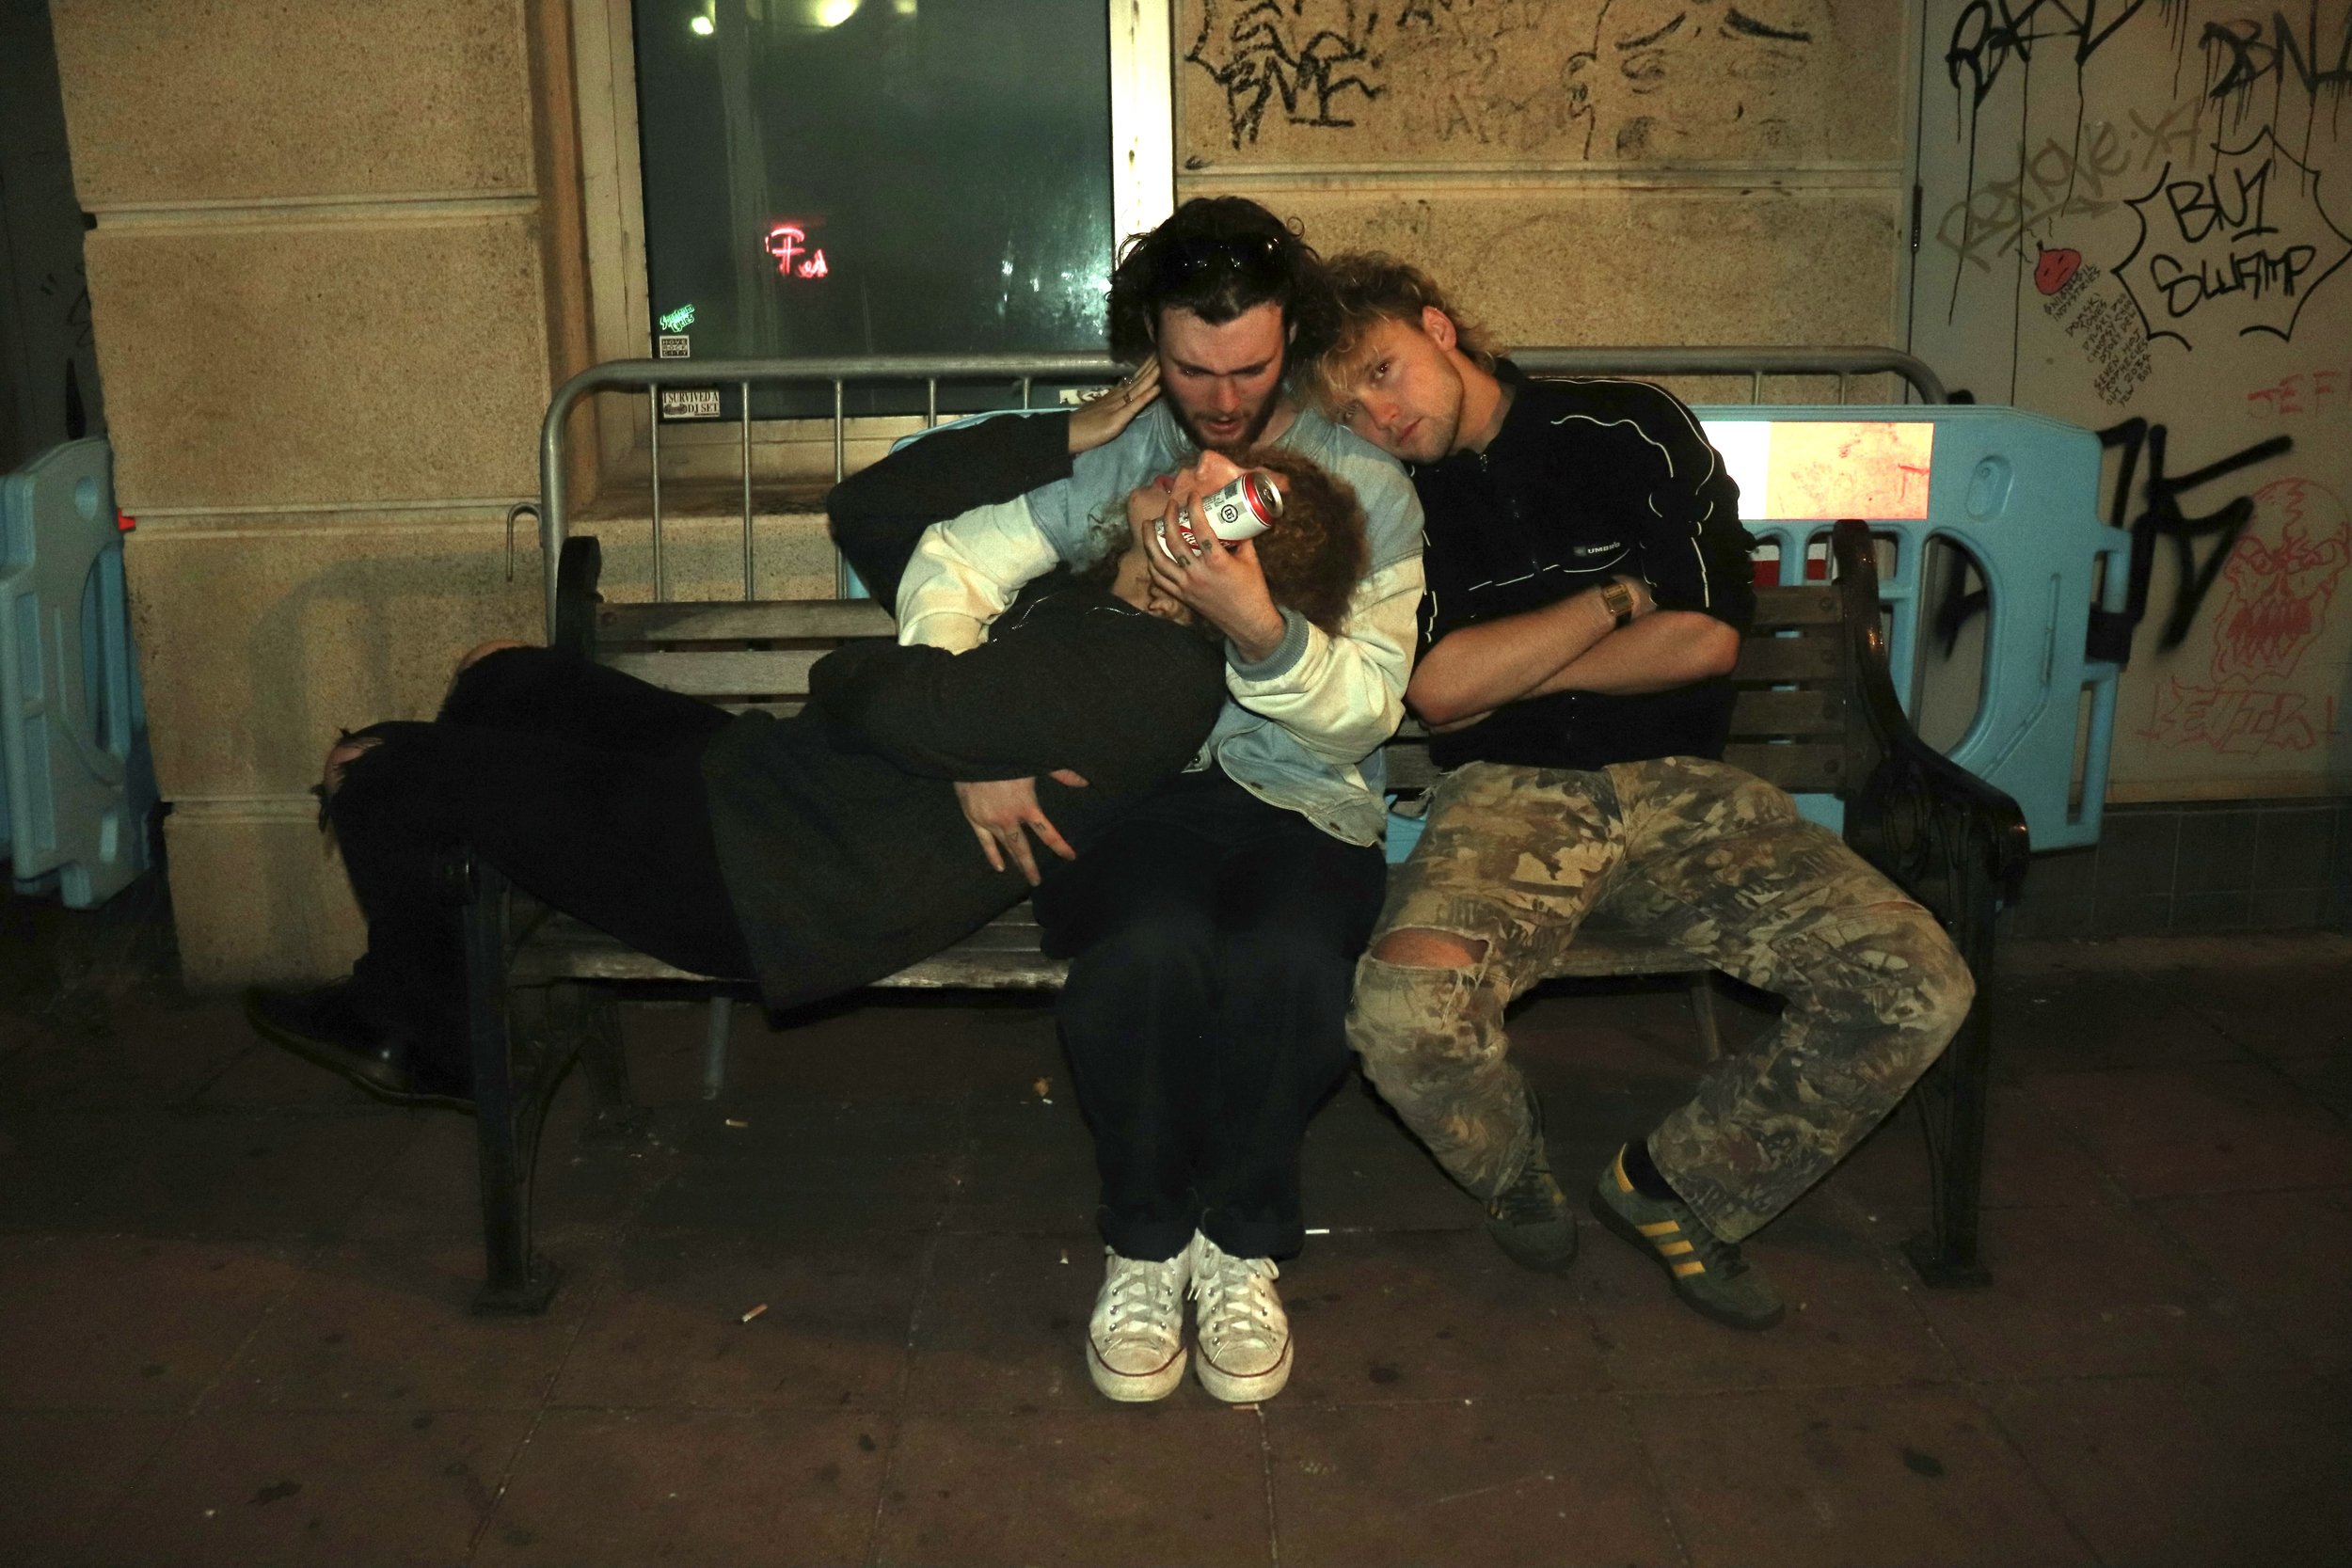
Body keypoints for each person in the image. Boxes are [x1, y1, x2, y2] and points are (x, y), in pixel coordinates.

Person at [241, 447, 1371, 1122]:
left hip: (776, 877)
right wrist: (942, 721)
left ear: (1227, 566)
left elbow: (886, 700)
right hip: (773, 786)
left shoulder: (1139, 671)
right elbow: (917, 659)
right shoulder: (1101, 606)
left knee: (391, 776)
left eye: (1222, 496)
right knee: (509, 683)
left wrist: (879, 684)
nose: (1189, 473)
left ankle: (424, 1035)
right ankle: (452, 970)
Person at [1304, 255, 1976, 1331]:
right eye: (1348, 408)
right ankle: (1514, 1170)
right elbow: (1437, 689)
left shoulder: (1629, 428)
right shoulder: (1392, 499)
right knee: (1402, 1014)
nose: (1378, 416)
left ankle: (1678, 1185)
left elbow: (1705, 639)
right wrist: (1613, 600)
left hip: (1688, 792)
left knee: (1918, 980)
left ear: (1437, 326)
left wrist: (1509, 665)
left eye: (1382, 371)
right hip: (1508, 797)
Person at [832, 197, 1423, 1405]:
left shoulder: (1367, 485)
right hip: (1130, 792)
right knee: (1146, 950)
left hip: (1305, 795)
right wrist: (970, 731)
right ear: (1151, 344)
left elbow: (1368, 708)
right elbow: (949, 561)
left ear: (1290, 339)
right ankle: (1147, 1240)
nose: (1221, 398)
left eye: (1249, 367)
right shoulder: (1119, 457)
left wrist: (1257, 627)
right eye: (1191, 368)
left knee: (1288, 962)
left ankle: (1241, 1239)